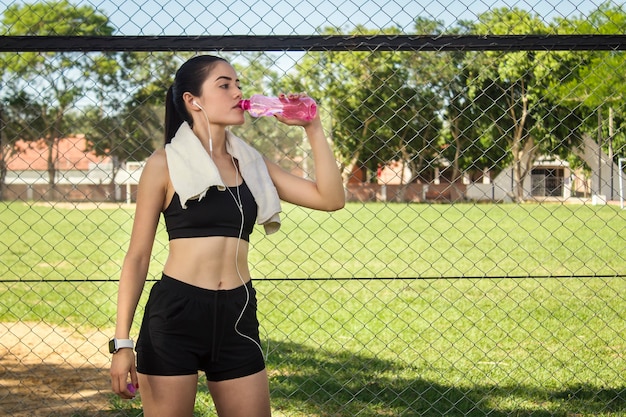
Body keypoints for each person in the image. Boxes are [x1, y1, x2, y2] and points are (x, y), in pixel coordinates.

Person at [109, 54, 345, 417]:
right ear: (193, 100)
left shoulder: (250, 163)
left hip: (237, 314)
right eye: (225, 85)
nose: (237, 92)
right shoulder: (164, 164)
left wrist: (312, 128)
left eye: (238, 84)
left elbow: (330, 199)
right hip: (176, 315)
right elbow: (137, 257)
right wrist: (122, 342)